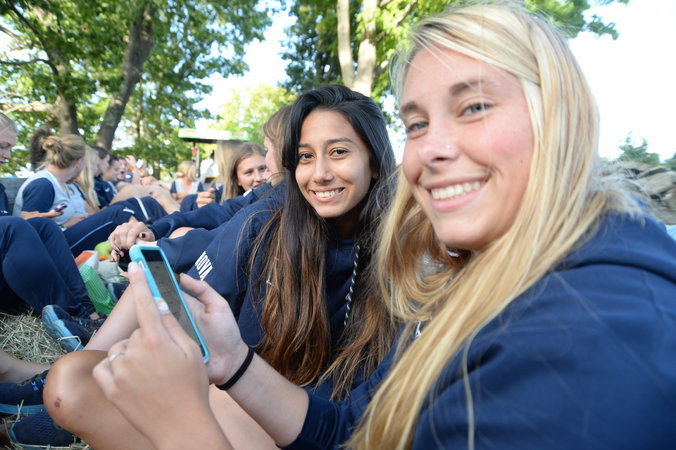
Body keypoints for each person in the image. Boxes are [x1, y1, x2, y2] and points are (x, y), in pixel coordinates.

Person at [56, 4, 676, 449]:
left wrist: (179, 422)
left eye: (474, 107)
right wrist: (232, 361)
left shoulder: (599, 330)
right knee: (73, 383)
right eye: (418, 124)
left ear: (559, 115)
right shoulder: (471, 279)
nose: (433, 149)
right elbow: (347, 428)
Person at [22, 85, 397, 449]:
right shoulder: (271, 221)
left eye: (338, 152)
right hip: (247, 383)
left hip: (299, 415)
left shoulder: (407, 258)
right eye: (304, 156)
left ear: (375, 162)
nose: (320, 173)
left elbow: (353, 423)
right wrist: (157, 246)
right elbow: (213, 225)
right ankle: (67, 370)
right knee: (70, 382)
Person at [14, 131, 170, 255]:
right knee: (118, 213)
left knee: (137, 203)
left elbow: (95, 214)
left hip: (71, 237)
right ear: (79, 162)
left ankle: (171, 239)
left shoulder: (69, 185)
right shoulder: (43, 184)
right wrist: (63, 225)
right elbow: (26, 227)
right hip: (57, 246)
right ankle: (157, 252)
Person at [180, 140, 268, 211]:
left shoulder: (276, 196)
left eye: (263, 169)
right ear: (237, 179)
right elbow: (187, 203)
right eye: (249, 172)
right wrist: (198, 204)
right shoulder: (225, 197)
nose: (258, 178)